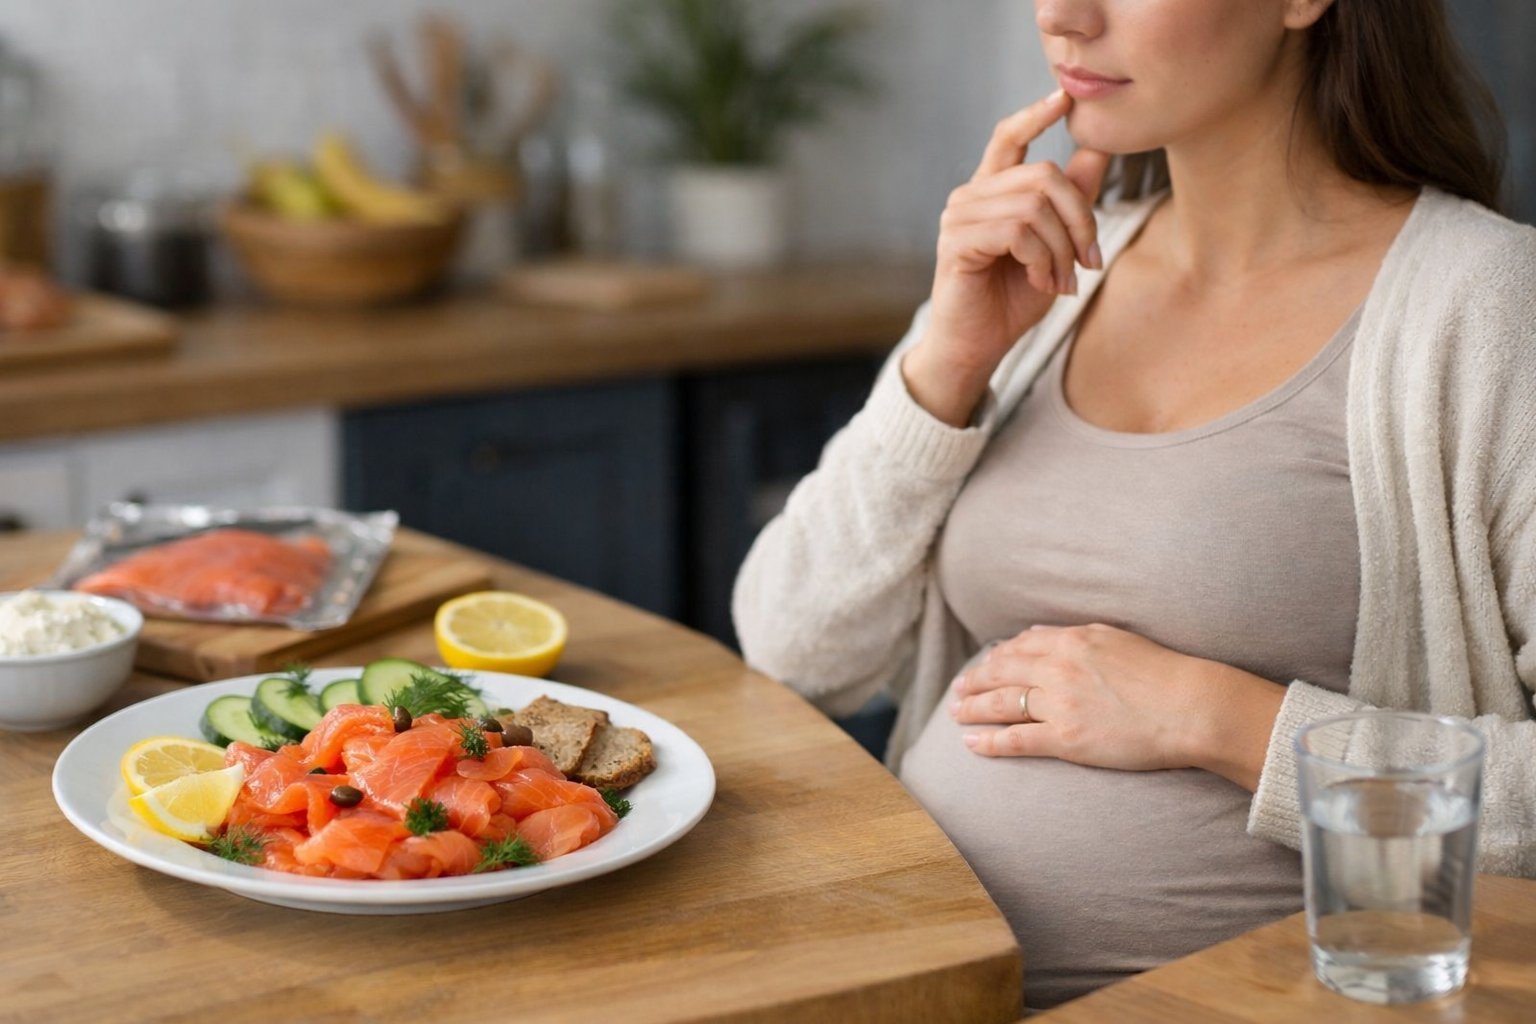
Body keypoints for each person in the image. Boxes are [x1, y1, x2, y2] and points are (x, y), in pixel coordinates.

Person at [731, 0, 1536, 1011]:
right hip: (918, 980)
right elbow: (792, 646)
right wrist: (949, 362)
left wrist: (1217, 719)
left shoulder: (1485, 305)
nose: (1063, 15)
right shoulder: (1043, 272)